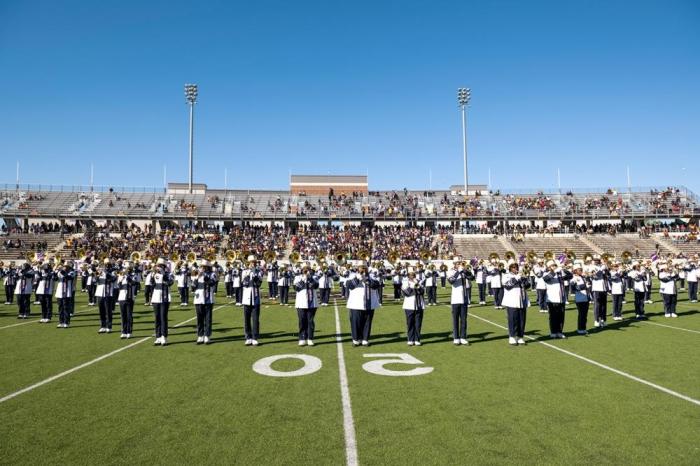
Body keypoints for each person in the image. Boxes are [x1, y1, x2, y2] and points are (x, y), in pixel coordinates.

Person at [346, 264, 381, 347]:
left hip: (369, 303)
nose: (363, 269)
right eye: (361, 267)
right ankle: (356, 339)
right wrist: (357, 279)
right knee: (355, 322)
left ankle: (365, 339)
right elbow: (349, 286)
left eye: (365, 268)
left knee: (367, 322)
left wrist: (367, 279)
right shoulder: (352, 275)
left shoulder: (372, 276)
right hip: (355, 303)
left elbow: (376, 285)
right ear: (358, 268)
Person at [501, 261, 530, 345]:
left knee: (522, 320)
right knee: (513, 319)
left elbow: (528, 286)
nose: (515, 269)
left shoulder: (520, 275)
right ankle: (512, 336)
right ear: (510, 268)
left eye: (516, 267)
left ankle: (520, 336)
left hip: (522, 300)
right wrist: (517, 278)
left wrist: (525, 279)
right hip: (511, 301)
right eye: (513, 267)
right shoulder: (506, 276)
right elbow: (507, 286)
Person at [447, 258, 474, 345]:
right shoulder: (450, 271)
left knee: (464, 319)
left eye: (460, 263)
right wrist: (458, 272)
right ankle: (456, 337)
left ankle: (463, 337)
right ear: (454, 264)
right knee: (455, 319)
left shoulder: (464, 271)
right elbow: (451, 281)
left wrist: (466, 271)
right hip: (455, 299)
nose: (460, 264)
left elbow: (472, 278)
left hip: (464, 299)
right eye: (458, 263)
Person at [543, 260, 572, 339]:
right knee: (553, 316)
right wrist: (555, 271)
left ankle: (559, 331)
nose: (554, 266)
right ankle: (553, 332)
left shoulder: (560, 273)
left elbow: (570, 276)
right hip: (552, 299)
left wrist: (564, 269)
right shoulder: (546, 273)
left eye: (555, 265)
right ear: (549, 267)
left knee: (561, 316)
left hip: (561, 298)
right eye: (552, 265)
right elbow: (546, 279)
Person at [150, 258, 174, 345]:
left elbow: (170, 283)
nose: (158, 267)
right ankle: (158, 336)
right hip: (156, 298)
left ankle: (164, 336)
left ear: (163, 266)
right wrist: (152, 276)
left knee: (163, 317)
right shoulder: (154, 273)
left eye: (160, 265)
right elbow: (151, 285)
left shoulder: (169, 274)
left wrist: (163, 275)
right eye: (158, 265)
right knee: (157, 318)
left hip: (165, 298)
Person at [294, 263, 319, 346]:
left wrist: (309, 278)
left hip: (312, 303)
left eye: (308, 269)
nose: (306, 270)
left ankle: (310, 338)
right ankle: (302, 338)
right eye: (305, 269)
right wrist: (303, 280)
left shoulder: (314, 277)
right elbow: (296, 288)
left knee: (310, 321)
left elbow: (316, 286)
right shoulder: (298, 277)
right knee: (302, 321)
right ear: (302, 270)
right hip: (301, 303)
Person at [193, 260, 216, 344]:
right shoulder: (197, 274)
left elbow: (212, 283)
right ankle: (200, 335)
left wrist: (205, 276)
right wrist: (197, 277)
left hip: (208, 299)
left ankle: (207, 336)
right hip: (198, 300)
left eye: (204, 266)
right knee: (199, 319)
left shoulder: (212, 274)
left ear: (208, 267)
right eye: (201, 266)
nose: (202, 268)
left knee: (208, 319)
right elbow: (193, 287)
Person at [241, 255, 263, 345]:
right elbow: (244, 284)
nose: (253, 263)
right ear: (248, 263)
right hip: (246, 299)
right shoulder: (244, 272)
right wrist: (248, 274)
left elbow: (258, 284)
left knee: (255, 319)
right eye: (251, 262)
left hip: (256, 299)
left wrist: (255, 276)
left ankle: (255, 337)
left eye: (254, 262)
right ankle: (248, 336)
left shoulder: (259, 272)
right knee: (246, 319)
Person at [402, 267, 425, 346]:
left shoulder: (419, 281)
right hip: (409, 305)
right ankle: (410, 339)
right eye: (411, 275)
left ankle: (417, 339)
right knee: (410, 323)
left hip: (419, 305)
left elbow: (422, 292)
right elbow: (407, 293)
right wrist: (413, 286)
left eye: (414, 274)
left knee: (418, 323)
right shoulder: (405, 282)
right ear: (408, 275)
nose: (413, 276)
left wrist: (417, 285)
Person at [95, 259, 116, 334]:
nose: (106, 266)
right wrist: (97, 274)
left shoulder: (113, 271)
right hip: (100, 292)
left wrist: (106, 273)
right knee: (101, 310)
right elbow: (96, 281)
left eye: (107, 264)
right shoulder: (100, 272)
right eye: (105, 264)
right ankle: (103, 326)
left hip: (108, 293)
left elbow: (113, 279)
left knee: (108, 310)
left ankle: (109, 326)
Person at [570, 262, 591, 334]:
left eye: (581, 270)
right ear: (575, 270)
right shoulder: (573, 278)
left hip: (586, 298)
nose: (581, 271)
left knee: (585, 315)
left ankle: (584, 328)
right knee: (581, 314)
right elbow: (575, 288)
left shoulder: (582, 277)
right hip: (579, 299)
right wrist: (584, 286)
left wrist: (588, 280)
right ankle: (580, 329)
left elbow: (587, 284)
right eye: (579, 270)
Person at [116, 263, 136, 339]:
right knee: (123, 315)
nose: (126, 270)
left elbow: (134, 284)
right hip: (121, 298)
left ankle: (129, 331)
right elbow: (119, 286)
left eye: (127, 268)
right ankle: (124, 331)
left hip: (129, 298)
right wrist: (121, 278)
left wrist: (128, 277)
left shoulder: (133, 275)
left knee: (129, 316)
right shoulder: (121, 276)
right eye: (125, 268)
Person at [55, 262, 75, 328]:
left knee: (66, 308)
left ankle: (66, 322)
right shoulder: (60, 272)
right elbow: (55, 278)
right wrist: (55, 270)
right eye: (64, 266)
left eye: (66, 266)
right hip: (59, 292)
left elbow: (68, 277)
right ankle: (61, 322)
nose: (64, 267)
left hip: (67, 292)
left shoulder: (72, 272)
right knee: (60, 308)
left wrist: (61, 271)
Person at [591, 256, 610, 328]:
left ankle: (603, 319)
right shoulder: (591, 267)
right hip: (596, 288)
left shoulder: (603, 266)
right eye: (595, 260)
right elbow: (595, 276)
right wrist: (602, 269)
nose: (596, 261)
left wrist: (607, 269)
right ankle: (596, 320)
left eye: (598, 260)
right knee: (597, 305)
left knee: (604, 305)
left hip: (604, 288)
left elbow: (608, 275)